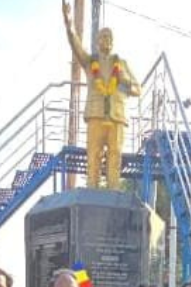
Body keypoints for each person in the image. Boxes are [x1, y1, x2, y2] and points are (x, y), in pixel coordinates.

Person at [62, 2, 141, 189]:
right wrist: (69, 22)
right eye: (104, 36)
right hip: (96, 114)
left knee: (115, 154)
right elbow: (75, 45)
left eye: (109, 37)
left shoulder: (122, 64)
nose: (107, 39)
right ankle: (92, 185)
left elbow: (138, 89)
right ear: (98, 42)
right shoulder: (90, 62)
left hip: (117, 116)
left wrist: (124, 80)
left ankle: (113, 188)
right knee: (93, 154)